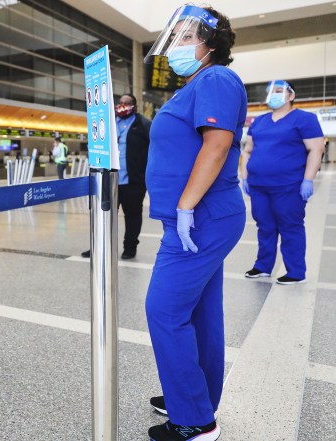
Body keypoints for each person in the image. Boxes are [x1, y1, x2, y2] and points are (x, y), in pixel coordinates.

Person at [142, 6, 246, 440]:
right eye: (176, 37)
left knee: (163, 310)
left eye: (187, 38)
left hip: (201, 217)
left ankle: (195, 421)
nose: (178, 46)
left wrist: (185, 206)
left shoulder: (217, 79)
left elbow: (217, 145)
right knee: (201, 313)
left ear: (210, 44)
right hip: (197, 217)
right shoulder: (196, 84)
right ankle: (193, 394)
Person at [240, 80, 324, 285]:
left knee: (290, 226)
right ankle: (263, 266)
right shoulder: (259, 121)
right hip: (259, 186)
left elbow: (316, 149)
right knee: (265, 226)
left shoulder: (305, 119)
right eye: (270, 92)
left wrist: (307, 180)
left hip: (288, 186)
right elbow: (248, 150)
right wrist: (245, 176)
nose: (273, 95)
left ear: (291, 95)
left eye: (278, 91)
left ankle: (296, 271)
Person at [81, 94, 151, 259]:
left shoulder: (143, 125)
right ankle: (97, 247)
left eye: (127, 103)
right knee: (102, 214)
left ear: (134, 106)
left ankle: (130, 247)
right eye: (120, 103)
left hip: (133, 181)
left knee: (132, 215)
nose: (122, 106)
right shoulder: (109, 123)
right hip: (108, 179)